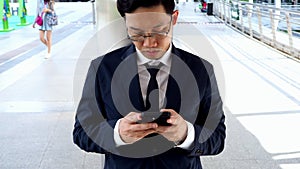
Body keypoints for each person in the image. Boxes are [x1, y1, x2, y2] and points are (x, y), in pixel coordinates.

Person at [73, 0, 226, 168]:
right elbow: (81, 133)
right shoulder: (102, 68)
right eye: (136, 34)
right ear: (125, 23)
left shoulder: (201, 70)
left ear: (173, 18)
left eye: (160, 31)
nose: (149, 44)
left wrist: (186, 134)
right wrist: (117, 133)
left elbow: (217, 138)